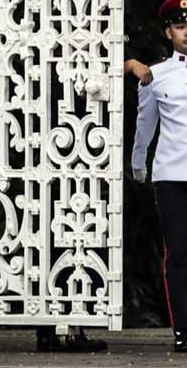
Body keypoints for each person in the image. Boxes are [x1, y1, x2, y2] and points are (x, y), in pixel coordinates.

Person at [36, 57, 151, 354]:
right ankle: (58, 327)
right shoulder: (55, 51)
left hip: (83, 150)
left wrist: (126, 66)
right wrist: (127, 66)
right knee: (58, 235)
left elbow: (96, 71)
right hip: (61, 147)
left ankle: (68, 325)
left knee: (76, 235)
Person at [131, 0, 187, 352]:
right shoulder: (157, 75)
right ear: (168, 31)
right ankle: (184, 328)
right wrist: (139, 163)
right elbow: (145, 124)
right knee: (178, 251)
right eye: (181, 26)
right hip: (171, 174)